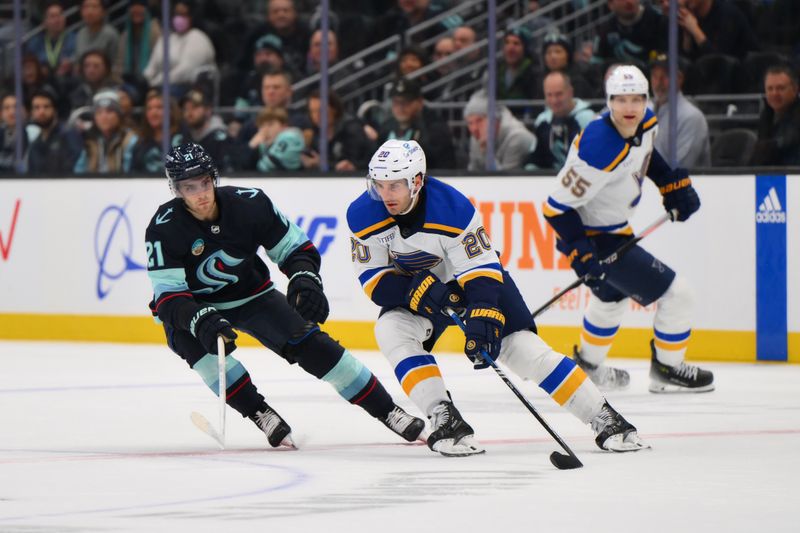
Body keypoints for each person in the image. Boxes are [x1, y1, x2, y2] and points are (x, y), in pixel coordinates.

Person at [347, 139, 649, 456]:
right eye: (379, 184)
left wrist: (481, 314)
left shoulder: (453, 209)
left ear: (417, 181)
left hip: (475, 285)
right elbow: (374, 280)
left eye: (395, 185)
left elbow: (480, 268)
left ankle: (605, 417)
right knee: (391, 329)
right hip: (422, 296)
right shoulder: (362, 214)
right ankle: (444, 417)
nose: (385, 195)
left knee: (523, 350)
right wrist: (415, 290)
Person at [144, 142, 425, 448]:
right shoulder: (164, 228)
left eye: (205, 182)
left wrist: (304, 278)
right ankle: (258, 411)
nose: (200, 193)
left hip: (252, 295)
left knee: (316, 346)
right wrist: (198, 319)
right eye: (189, 187)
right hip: (193, 308)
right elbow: (169, 298)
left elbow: (295, 248)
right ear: (176, 189)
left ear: (215, 178)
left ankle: (389, 411)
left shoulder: (250, 204)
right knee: (210, 360)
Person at [543, 65, 714, 393]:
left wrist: (670, 184)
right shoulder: (598, 148)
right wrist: (581, 252)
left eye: (637, 98)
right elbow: (555, 208)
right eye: (621, 100)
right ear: (609, 102)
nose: (630, 108)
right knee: (678, 295)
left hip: (615, 228)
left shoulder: (646, 121)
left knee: (611, 297)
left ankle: (589, 366)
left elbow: (647, 155)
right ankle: (668, 367)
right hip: (595, 237)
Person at [377, 77, 455, 170]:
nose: (400, 107)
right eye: (396, 102)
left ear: (420, 102)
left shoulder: (435, 128)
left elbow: (442, 164)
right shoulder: (386, 127)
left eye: (406, 102)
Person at [649, 55, 710, 168]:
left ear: (679, 78)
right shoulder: (646, 113)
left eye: (665, 76)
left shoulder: (691, 117)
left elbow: (680, 169)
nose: (658, 83)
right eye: (655, 76)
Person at [525, 71, 595, 170]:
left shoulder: (588, 120)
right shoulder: (542, 121)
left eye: (559, 94)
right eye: (549, 95)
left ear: (570, 92)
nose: (554, 100)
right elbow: (534, 158)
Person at [464, 90, 536, 171]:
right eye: (470, 123)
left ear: (494, 119)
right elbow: (472, 173)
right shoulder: (476, 138)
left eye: (479, 120)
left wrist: (487, 150)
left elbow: (504, 180)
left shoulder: (517, 137)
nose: (474, 128)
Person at [73, 89, 138, 173]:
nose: (104, 117)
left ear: (119, 115)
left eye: (109, 111)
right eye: (99, 112)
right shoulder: (89, 141)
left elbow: (132, 175)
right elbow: (78, 172)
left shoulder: (130, 140)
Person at [750, 65, 800, 166]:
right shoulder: (766, 115)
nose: (774, 93)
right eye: (770, 89)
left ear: (795, 90)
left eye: (780, 88)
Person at [27, 86, 83, 174]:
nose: (41, 112)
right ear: (32, 112)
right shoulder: (35, 145)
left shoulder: (69, 135)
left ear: (55, 110)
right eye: (37, 108)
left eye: (46, 107)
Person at [248, 106, 305, 172]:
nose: (265, 130)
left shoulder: (290, 137)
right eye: (262, 126)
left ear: (284, 126)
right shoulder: (265, 145)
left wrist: (253, 146)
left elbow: (266, 166)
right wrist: (251, 146)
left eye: (270, 124)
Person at [74, 0, 120, 64]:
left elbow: (115, 65)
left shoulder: (111, 34)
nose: (90, 12)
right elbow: (78, 62)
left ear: (103, 12)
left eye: (94, 7)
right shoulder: (80, 34)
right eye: (86, 7)